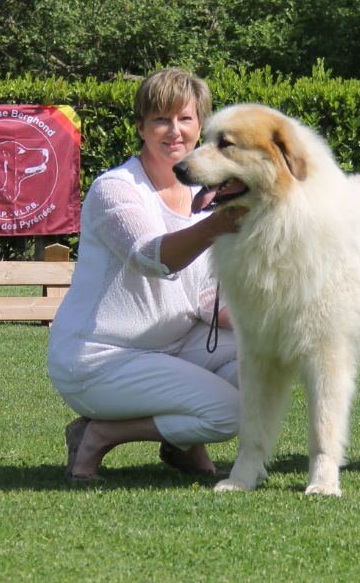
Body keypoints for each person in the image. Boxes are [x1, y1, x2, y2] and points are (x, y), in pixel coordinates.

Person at [47, 67, 245, 482]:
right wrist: (218, 224)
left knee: (261, 357)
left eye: (185, 118)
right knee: (233, 414)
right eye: (160, 119)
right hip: (100, 359)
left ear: (201, 126)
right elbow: (150, 258)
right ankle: (99, 434)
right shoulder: (115, 188)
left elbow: (205, 297)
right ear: (140, 127)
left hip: (170, 346)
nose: (175, 131)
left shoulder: (202, 193)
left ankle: (184, 446)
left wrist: (275, 322)